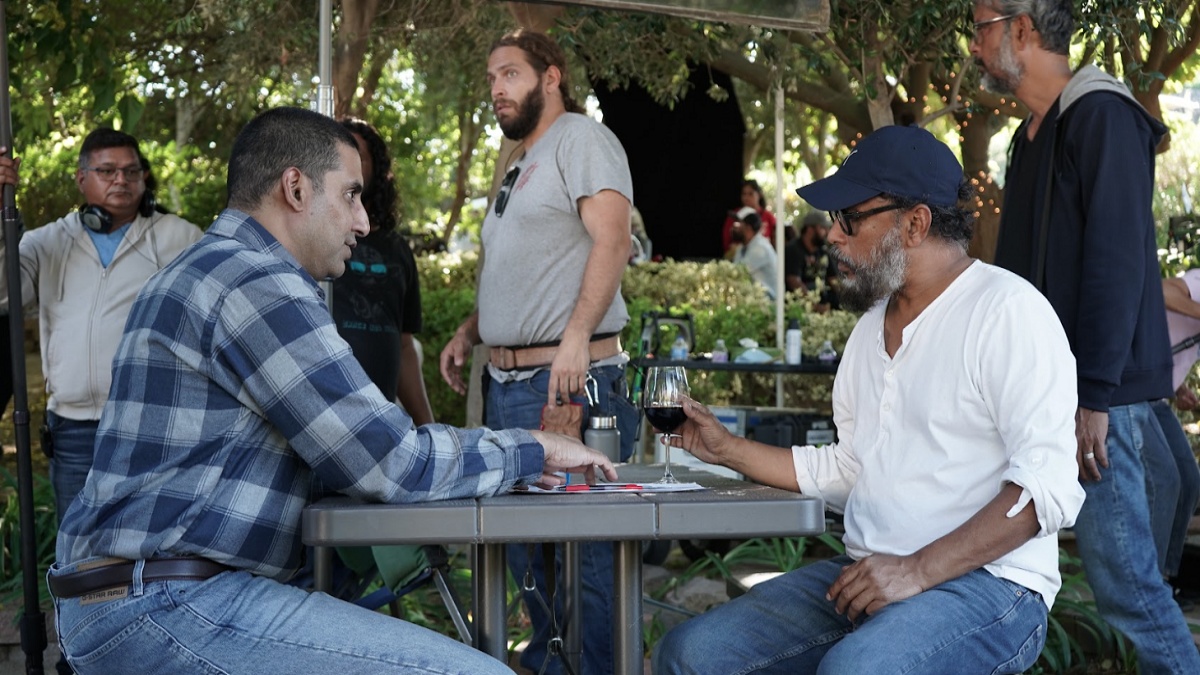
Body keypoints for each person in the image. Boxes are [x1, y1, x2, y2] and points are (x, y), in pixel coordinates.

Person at [47, 106, 616, 674]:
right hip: (167, 603)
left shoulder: (204, 267)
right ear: (295, 188)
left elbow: (347, 456)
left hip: (132, 597)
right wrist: (533, 447)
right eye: (350, 195)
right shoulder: (258, 281)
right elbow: (390, 461)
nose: (364, 222)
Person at [652, 125, 1085, 674]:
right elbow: (851, 466)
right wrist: (726, 449)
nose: (832, 235)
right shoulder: (869, 330)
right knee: (689, 655)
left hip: (992, 587)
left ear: (914, 223)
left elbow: (1046, 489)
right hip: (869, 574)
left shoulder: (1007, 312)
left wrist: (917, 571)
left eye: (848, 219)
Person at [970, 2, 1200, 671]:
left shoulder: (1102, 115)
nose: (975, 45)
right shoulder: (1034, 132)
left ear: (1023, 28)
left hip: (1097, 400)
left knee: (1129, 587)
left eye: (983, 26)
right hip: (1053, 391)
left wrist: (1094, 398)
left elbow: (1117, 265)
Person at [439, 29, 638, 675]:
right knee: (525, 552)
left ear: (551, 77)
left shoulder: (581, 138)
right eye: (492, 77)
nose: (496, 88)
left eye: (510, 74)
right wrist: (472, 330)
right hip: (507, 382)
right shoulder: (523, 158)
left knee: (587, 556)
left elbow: (614, 241)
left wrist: (575, 340)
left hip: (569, 381)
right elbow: (520, 266)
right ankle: (551, 665)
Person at [0, 129, 202, 526]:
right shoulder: (48, 242)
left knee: (146, 542)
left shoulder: (180, 238)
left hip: (149, 424)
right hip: (72, 428)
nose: (121, 181)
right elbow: (3, 294)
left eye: (131, 171)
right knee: (80, 550)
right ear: (81, 178)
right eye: (107, 171)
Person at [335, 117, 433, 424]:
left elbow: (405, 349)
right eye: (337, 153)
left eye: (357, 154)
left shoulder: (397, 248)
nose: (346, 162)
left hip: (382, 425)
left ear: (375, 167)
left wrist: (428, 425)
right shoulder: (313, 243)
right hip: (326, 419)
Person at [1157, 271, 1200, 601]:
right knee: (1168, 480)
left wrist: (1179, 388)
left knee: (1188, 478)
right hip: (1129, 392)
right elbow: (1163, 292)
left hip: (1157, 395)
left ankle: (1166, 579)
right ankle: (1153, 580)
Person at [731, 206, 779, 299]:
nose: (733, 227)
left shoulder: (761, 248)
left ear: (748, 228)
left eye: (738, 224)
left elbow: (736, 274)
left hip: (770, 304)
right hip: (754, 300)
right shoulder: (742, 247)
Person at [783, 211, 834, 292]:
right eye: (822, 228)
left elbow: (833, 278)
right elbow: (794, 282)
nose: (827, 232)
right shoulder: (793, 250)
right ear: (810, 230)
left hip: (825, 300)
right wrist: (814, 304)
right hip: (800, 303)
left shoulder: (823, 251)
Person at [721, 179, 776, 254]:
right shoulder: (734, 216)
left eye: (750, 194)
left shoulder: (768, 217)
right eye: (744, 194)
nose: (746, 198)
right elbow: (727, 243)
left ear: (759, 195)